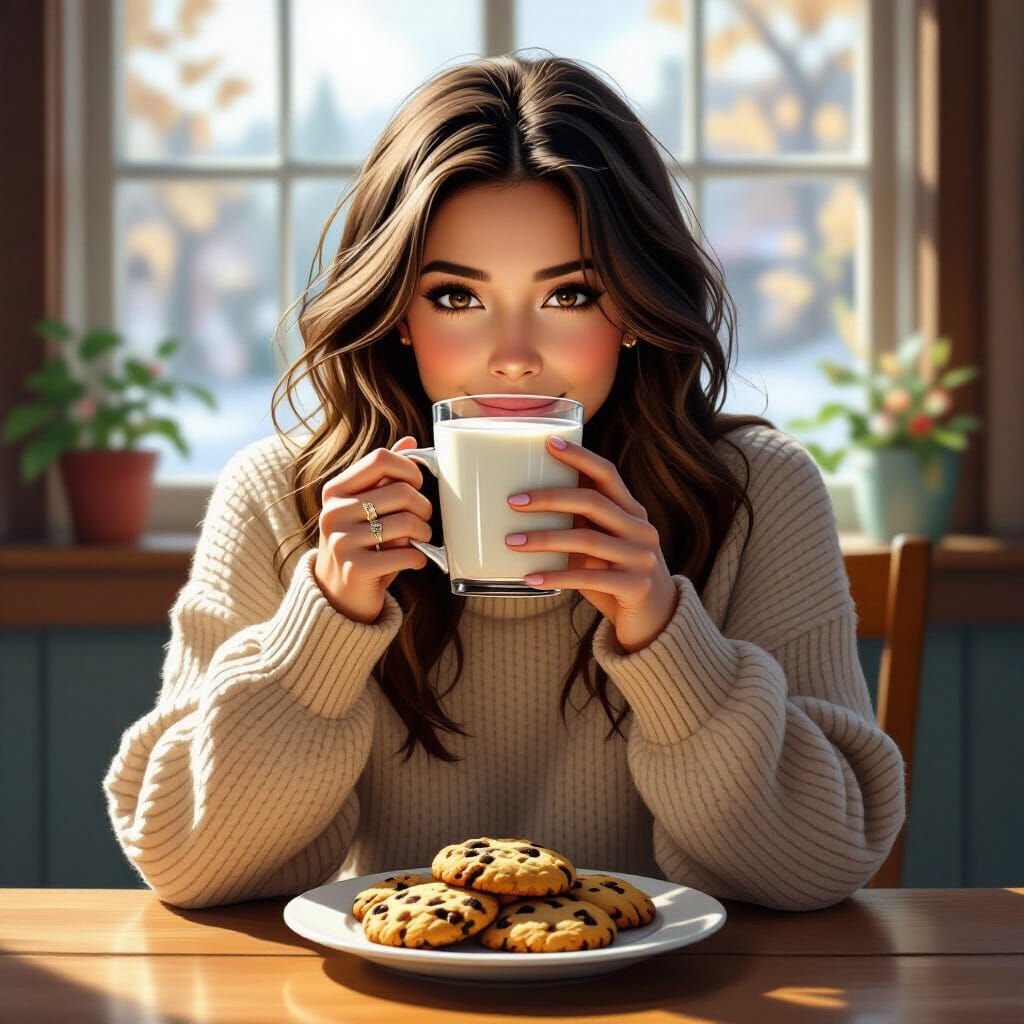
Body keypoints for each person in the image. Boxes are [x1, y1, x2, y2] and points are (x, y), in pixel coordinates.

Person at [103, 53, 905, 912]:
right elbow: (186, 861)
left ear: (634, 309)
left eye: (570, 296)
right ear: (398, 314)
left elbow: (819, 867)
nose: (516, 354)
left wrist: (665, 630)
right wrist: (328, 619)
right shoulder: (280, 497)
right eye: (457, 297)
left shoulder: (759, 494)